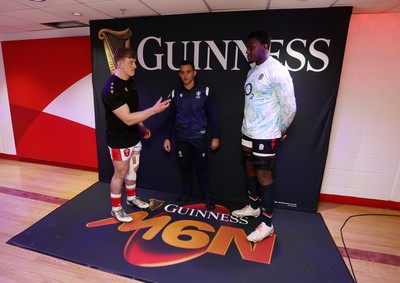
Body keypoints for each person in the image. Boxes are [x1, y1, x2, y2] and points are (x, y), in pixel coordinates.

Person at [231, 30, 296, 242]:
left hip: (266, 134)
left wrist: (282, 129)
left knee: (263, 175)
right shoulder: (252, 70)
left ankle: (267, 224)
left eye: (251, 47)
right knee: (249, 168)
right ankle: (254, 206)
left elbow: (290, 106)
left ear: (265, 47)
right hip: (247, 131)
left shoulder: (277, 71)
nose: (247, 51)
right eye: (247, 48)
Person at [102, 47, 170, 223]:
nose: (135, 66)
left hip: (133, 138)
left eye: (135, 62)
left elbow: (134, 112)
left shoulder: (130, 83)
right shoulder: (111, 89)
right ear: (120, 64)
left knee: (133, 169)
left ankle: (131, 198)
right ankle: (115, 209)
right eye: (131, 62)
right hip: (119, 140)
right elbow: (127, 118)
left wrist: (142, 127)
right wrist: (154, 111)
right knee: (120, 173)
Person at [163, 60, 220, 210]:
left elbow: (213, 115)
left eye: (188, 72)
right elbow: (169, 118)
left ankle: (208, 197)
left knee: (202, 169)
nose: (185, 75)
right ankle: (186, 194)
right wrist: (167, 137)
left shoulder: (205, 91)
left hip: (199, 137)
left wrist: (216, 136)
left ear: (194, 73)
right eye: (182, 72)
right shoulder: (175, 93)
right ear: (179, 74)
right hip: (181, 138)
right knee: (185, 168)